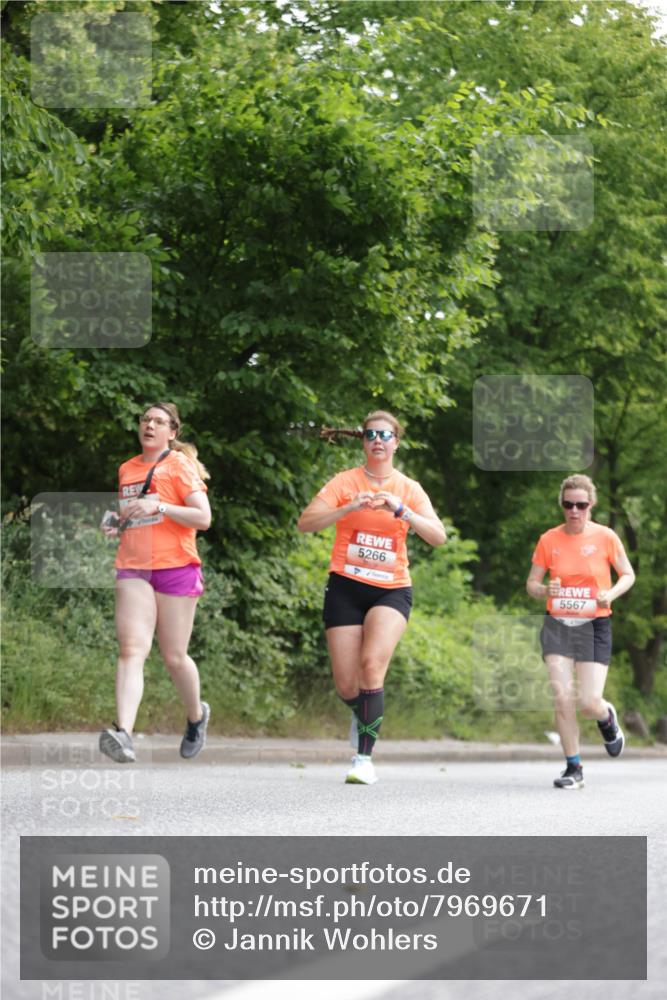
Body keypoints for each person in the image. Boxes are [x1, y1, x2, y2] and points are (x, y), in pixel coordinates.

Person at [297, 410, 446, 785]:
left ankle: (363, 758)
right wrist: (348, 507)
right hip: (346, 585)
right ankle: (363, 712)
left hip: (391, 589)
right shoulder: (344, 482)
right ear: (363, 441)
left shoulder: (409, 488)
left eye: (385, 434)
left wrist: (403, 510)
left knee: (371, 666)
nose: (377, 440)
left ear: (396, 442)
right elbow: (306, 522)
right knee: (347, 685)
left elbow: (438, 536)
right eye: (370, 434)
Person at [99, 402, 212, 763]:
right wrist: (114, 521)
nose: (150, 425)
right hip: (134, 565)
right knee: (132, 649)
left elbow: (203, 518)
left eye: (159, 421)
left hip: (176, 565)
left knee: (174, 656)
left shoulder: (179, 466)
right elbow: (133, 514)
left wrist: (159, 507)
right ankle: (124, 734)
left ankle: (196, 716)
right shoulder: (127, 468)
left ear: (172, 432)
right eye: (145, 419)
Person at [526, 474, 635, 789]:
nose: (574, 511)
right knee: (562, 698)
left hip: (594, 624)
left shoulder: (606, 537)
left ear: (591, 505)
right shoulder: (549, 539)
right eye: (568, 504)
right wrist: (545, 588)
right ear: (562, 504)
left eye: (581, 505)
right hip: (558, 623)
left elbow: (628, 574)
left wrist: (610, 594)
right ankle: (573, 768)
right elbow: (531, 584)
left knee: (588, 702)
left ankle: (606, 718)